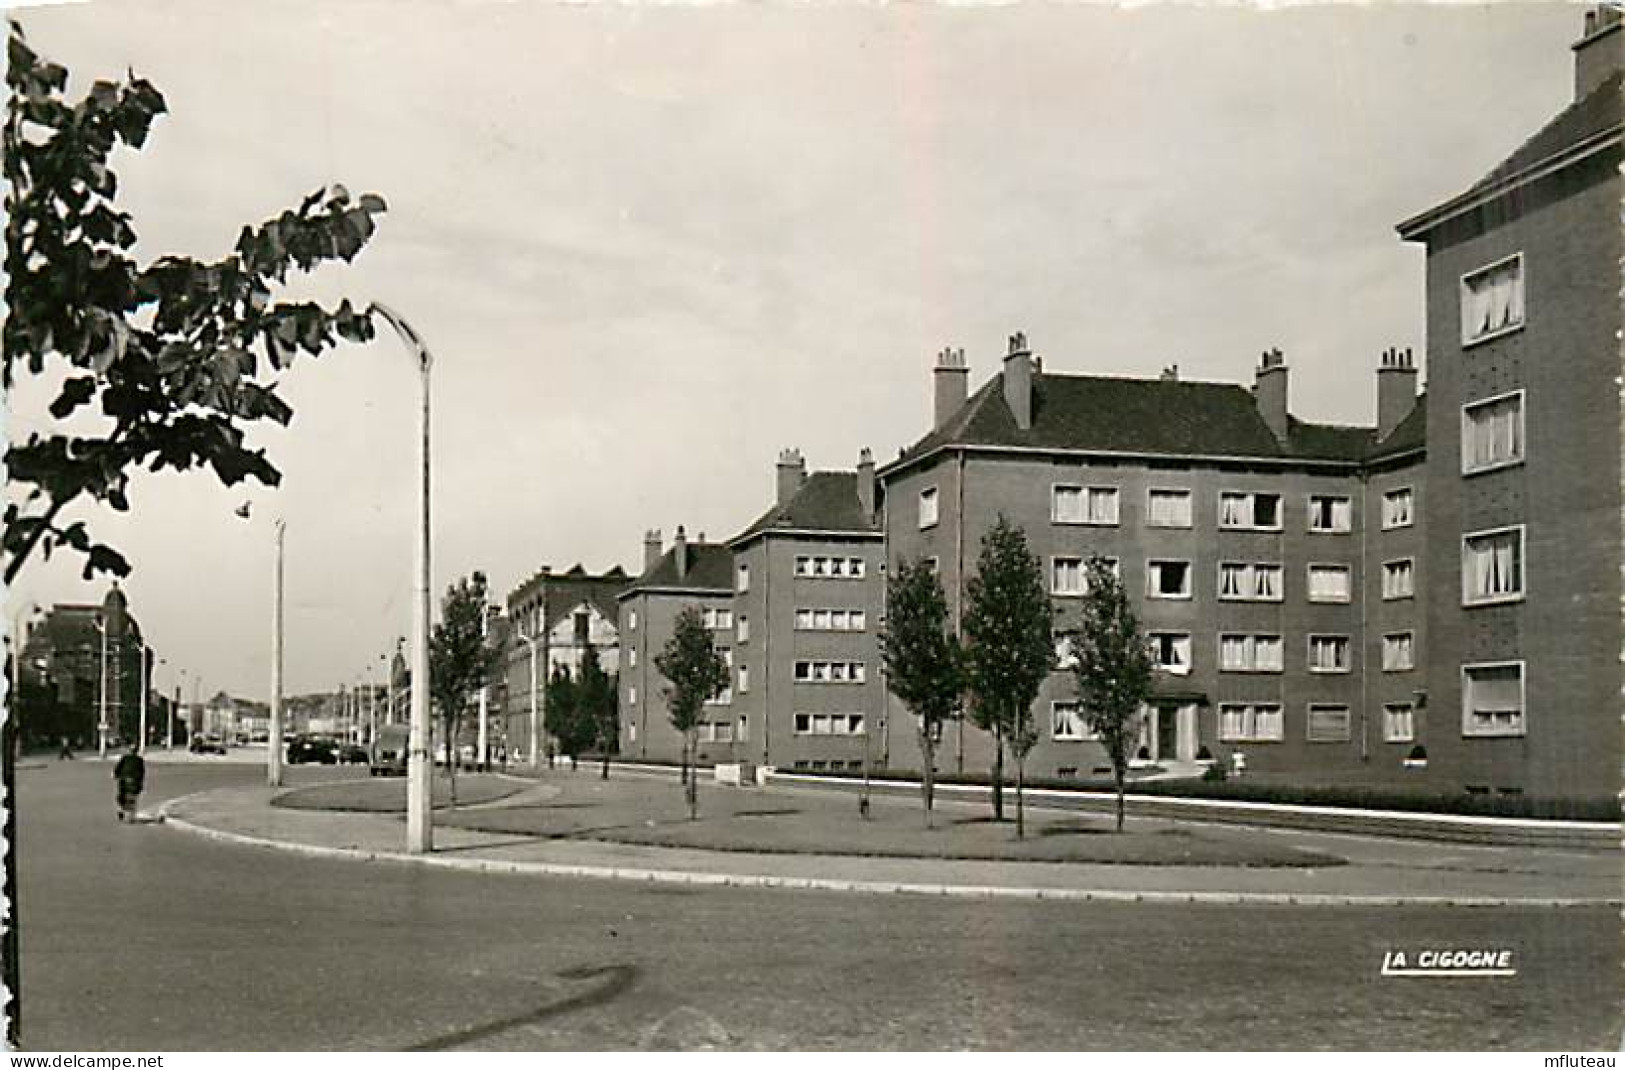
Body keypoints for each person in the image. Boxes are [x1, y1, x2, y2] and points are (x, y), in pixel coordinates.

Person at [113, 743, 146, 822]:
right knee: (132, 798)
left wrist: (115, 775)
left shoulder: (124, 758)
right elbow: (142, 773)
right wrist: (140, 783)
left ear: (129, 750)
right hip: (134, 782)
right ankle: (129, 814)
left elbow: (117, 768)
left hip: (124, 781)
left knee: (120, 796)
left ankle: (121, 810)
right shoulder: (140, 760)